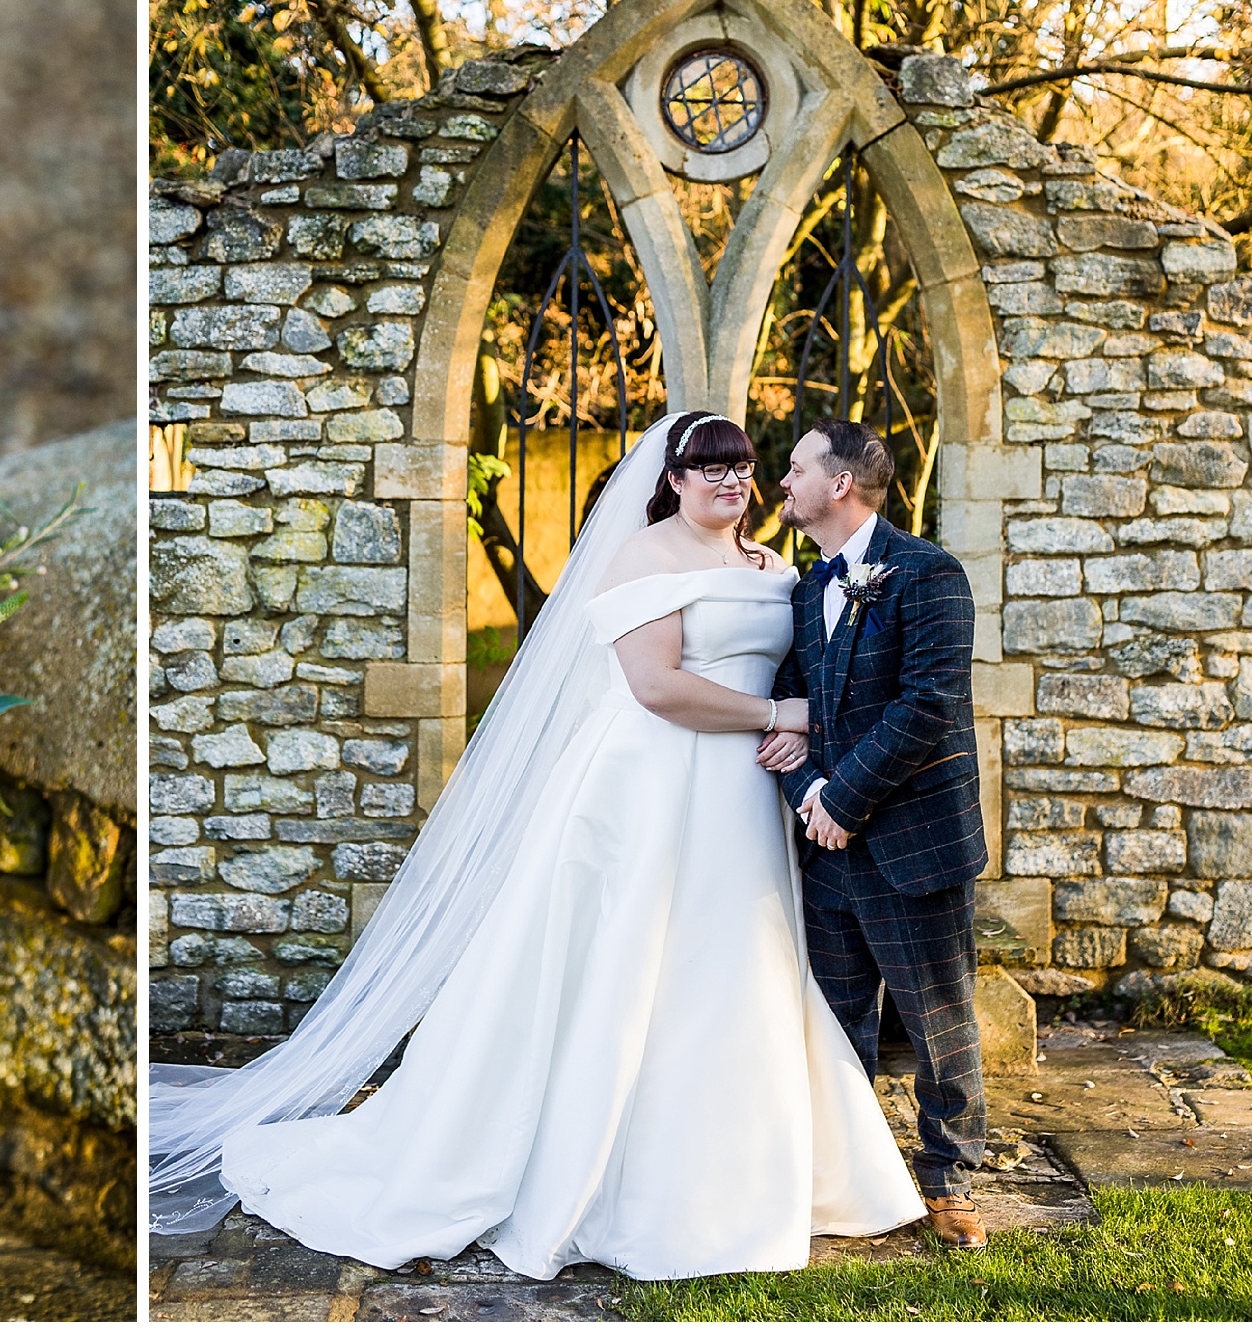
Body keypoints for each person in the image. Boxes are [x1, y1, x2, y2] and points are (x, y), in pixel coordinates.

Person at [149, 410, 924, 1279]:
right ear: (671, 479)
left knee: (730, 965)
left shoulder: (776, 567)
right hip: (653, 783)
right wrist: (776, 716)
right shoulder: (645, 557)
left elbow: (795, 672)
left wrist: (796, 731)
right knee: (624, 965)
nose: (731, 481)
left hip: (742, 797)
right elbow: (658, 686)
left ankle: (741, 1167)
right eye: (708, 468)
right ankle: (593, 1175)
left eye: (741, 466)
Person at [756, 420, 989, 1248]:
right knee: (836, 1018)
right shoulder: (802, 589)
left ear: (841, 483)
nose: (780, 481)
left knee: (940, 1025)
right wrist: (810, 790)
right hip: (826, 847)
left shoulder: (930, 574)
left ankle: (949, 1180)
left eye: (794, 468)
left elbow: (925, 708)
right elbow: (785, 713)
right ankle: (854, 1177)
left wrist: (842, 798)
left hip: (912, 842)